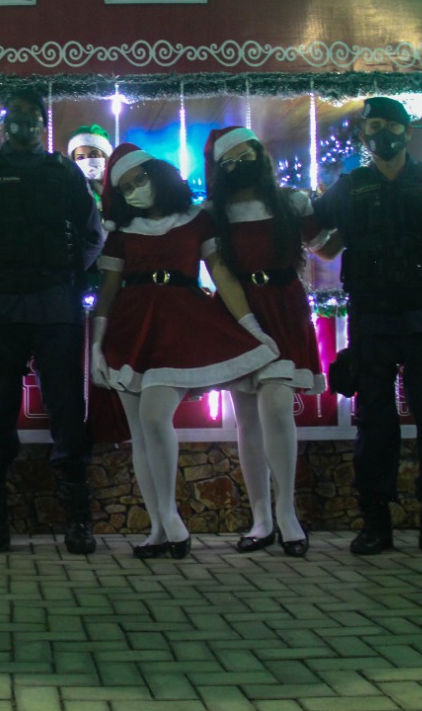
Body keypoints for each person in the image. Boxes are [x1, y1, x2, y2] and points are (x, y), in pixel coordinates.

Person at [312, 96, 422, 558]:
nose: (382, 133)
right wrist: (325, 237)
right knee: (374, 421)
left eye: (390, 125)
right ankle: (376, 525)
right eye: (373, 125)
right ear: (364, 133)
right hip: (371, 318)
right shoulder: (351, 185)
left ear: (406, 132)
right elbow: (317, 239)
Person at [91, 143, 278, 559]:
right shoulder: (121, 235)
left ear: (159, 174)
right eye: (125, 187)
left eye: (140, 179)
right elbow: (106, 294)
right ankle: (158, 527)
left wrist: (251, 326)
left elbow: (224, 277)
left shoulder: (197, 221)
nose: (136, 190)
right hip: (129, 328)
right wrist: (97, 347)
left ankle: (173, 521)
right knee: (139, 431)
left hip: (180, 324)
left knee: (155, 416)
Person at [0, 90, 105, 555]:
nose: (22, 124)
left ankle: (78, 521)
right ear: (4, 123)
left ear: (44, 123)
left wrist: (65, 277)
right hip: (1, 304)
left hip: (56, 305)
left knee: (66, 411)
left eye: (31, 118)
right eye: (14, 117)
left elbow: (93, 233)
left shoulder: (64, 172)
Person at [205, 127, 331, 557]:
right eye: (231, 161)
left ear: (262, 154)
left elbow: (324, 248)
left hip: (285, 304)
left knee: (277, 405)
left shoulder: (291, 202)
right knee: (246, 417)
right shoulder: (212, 212)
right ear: (219, 169)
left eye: (248, 155)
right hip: (237, 310)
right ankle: (261, 517)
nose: (242, 166)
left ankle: (286, 511)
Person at [66, 124, 114, 208]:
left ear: (106, 158)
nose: (88, 161)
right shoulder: (69, 193)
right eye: (80, 157)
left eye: (94, 155)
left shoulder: (119, 188)